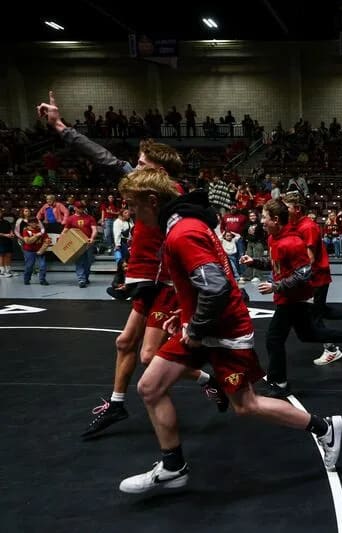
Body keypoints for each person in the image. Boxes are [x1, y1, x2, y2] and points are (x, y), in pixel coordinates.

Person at [115, 169, 342, 493]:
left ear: (152, 202)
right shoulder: (183, 226)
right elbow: (206, 284)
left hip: (223, 332)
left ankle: (324, 428)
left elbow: (217, 288)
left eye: (132, 207)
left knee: (245, 404)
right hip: (206, 325)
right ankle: (173, 466)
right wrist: (183, 312)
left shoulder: (182, 233)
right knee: (150, 386)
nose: (130, 215)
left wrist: (193, 325)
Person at [36, 91, 224, 438]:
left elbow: (198, 232)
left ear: (160, 172)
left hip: (164, 283)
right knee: (125, 343)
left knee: (150, 356)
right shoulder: (147, 188)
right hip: (144, 280)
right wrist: (61, 127)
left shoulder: (172, 198)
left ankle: (202, 385)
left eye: (141, 165)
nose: (133, 168)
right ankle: (117, 402)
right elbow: (106, 158)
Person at [240, 199, 342, 397]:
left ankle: (279, 384)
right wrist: (254, 261)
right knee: (308, 334)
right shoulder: (274, 239)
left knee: (274, 339)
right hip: (288, 297)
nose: (262, 221)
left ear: (275, 219)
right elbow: (276, 264)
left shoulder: (293, 242)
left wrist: (276, 286)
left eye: (264, 217)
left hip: (295, 299)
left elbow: (304, 272)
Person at [60, 200, 98, 288]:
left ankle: (85, 277)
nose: (81, 209)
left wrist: (92, 238)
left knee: (88, 262)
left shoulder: (89, 218)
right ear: (75, 208)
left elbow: (94, 229)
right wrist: (61, 239)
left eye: (82, 208)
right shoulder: (70, 218)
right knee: (79, 262)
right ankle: (81, 279)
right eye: (79, 208)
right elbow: (65, 230)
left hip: (88, 243)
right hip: (77, 243)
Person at [21, 217, 49, 285]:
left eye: (35, 222)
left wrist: (42, 250)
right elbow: (27, 241)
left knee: (43, 265)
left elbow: (47, 240)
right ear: (29, 223)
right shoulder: (26, 230)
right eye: (32, 222)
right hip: (29, 250)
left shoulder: (42, 230)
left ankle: (42, 280)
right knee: (29, 266)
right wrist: (36, 235)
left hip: (40, 250)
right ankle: (26, 279)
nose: (34, 223)